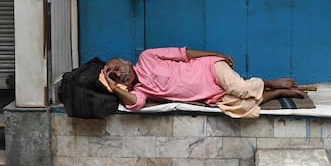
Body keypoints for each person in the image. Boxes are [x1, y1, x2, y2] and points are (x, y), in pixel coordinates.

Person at [101, 47, 304, 119]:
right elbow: (134, 104)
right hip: (211, 96)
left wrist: (216, 54)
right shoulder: (140, 90)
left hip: (210, 69)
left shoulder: (147, 57)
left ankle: (269, 83)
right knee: (238, 108)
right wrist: (112, 86)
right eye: (113, 74)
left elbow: (184, 53)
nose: (117, 73)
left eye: (116, 67)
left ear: (126, 62)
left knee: (240, 88)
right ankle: (278, 93)